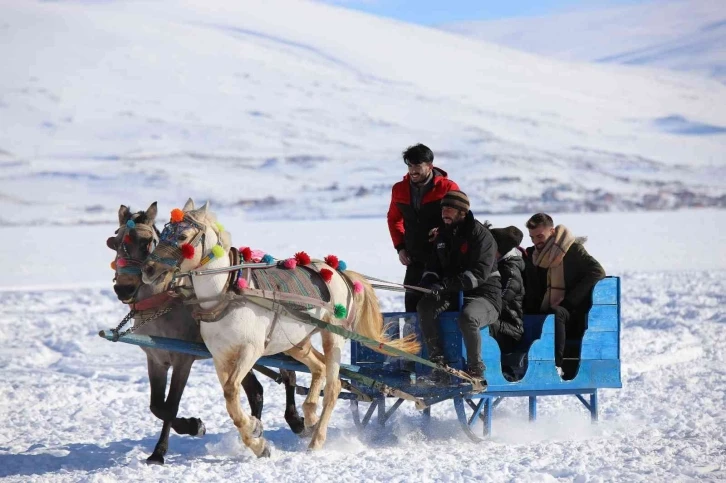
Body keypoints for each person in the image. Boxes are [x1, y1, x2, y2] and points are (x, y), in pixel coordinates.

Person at [417, 190, 501, 384]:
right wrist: (428, 283)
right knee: (425, 306)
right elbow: (433, 266)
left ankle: (476, 370)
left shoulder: (481, 237)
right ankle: (438, 365)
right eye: (443, 208)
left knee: (468, 316)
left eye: (449, 209)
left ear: (462, 212)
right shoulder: (442, 236)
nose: (444, 212)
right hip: (454, 293)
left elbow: (478, 275)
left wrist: (444, 285)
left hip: (485, 295)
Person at [523, 213, 605, 379]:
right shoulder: (535, 255)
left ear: (552, 232)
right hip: (545, 306)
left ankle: (556, 365)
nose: (536, 241)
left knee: (556, 314)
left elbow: (597, 272)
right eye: (532, 237)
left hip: (572, 311)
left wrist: (568, 302)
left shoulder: (572, 249)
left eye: (540, 236)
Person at [387, 143, 459, 312]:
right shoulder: (399, 189)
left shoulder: (448, 187)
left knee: (442, 307)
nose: (413, 171)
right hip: (414, 259)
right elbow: (393, 219)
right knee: (412, 307)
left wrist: (442, 233)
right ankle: (414, 339)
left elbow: (460, 219)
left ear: (430, 166)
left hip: (443, 258)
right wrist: (400, 248)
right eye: (410, 166)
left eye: (417, 166)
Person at [489, 226, 525, 352]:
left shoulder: (511, 273)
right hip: (499, 325)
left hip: (510, 331)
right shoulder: (494, 266)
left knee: (477, 321)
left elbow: (498, 304)